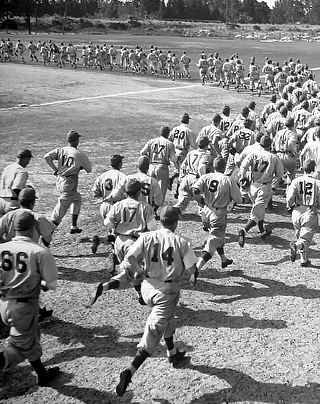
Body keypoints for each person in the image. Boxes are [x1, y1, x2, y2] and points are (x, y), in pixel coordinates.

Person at [112, 206, 198, 396]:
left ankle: (172, 353)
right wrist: (193, 275)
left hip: (147, 287)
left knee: (168, 319)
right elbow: (192, 269)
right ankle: (130, 370)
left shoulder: (146, 236)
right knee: (154, 330)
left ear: (160, 220)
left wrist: (138, 271)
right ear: (176, 222)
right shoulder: (182, 241)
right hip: (166, 291)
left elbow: (130, 257)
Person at [0, 211, 60, 386]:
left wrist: (2, 284)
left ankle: (42, 374)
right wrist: (39, 282)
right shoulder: (39, 251)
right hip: (24, 307)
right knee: (19, 348)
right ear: (33, 228)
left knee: (31, 338)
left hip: (4, 304)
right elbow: (51, 284)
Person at [88, 178, 158, 302]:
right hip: (135, 244)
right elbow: (153, 228)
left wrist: (120, 225)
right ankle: (105, 287)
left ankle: (140, 295)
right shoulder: (145, 207)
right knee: (131, 274)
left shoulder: (118, 205)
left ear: (126, 192)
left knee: (133, 272)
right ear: (139, 192)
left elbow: (108, 224)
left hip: (119, 241)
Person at [192, 157, 243, 272]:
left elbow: (195, 190)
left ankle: (224, 259)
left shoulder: (206, 177)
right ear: (224, 167)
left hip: (205, 212)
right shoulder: (228, 180)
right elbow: (239, 199)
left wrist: (200, 202)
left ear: (214, 166)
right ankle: (197, 267)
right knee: (213, 241)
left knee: (219, 236)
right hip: (218, 214)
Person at [238, 135, 284, 247]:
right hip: (264, 187)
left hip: (252, 186)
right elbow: (280, 174)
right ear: (270, 144)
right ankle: (244, 230)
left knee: (259, 210)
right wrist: (274, 185)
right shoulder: (274, 157)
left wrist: (243, 178)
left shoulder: (254, 154)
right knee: (256, 213)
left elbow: (243, 166)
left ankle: (262, 232)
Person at [44, 131, 92, 233]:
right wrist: (80, 166)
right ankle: (48, 231)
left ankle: (74, 227)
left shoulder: (61, 150)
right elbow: (89, 169)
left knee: (77, 199)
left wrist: (55, 169)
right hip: (70, 182)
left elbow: (47, 157)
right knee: (62, 207)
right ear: (77, 141)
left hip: (60, 180)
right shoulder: (79, 154)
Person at [286, 160, 320, 266]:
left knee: (300, 236)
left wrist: (290, 205)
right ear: (314, 169)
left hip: (296, 211)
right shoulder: (317, 182)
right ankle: (296, 247)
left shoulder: (295, 181)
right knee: (305, 240)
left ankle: (304, 260)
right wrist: (318, 207)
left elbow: (289, 198)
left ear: (303, 169)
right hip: (309, 211)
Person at [91, 154, 127, 253]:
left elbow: (95, 193)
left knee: (111, 230)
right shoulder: (122, 176)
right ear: (119, 164)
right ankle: (110, 249)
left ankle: (103, 242)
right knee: (118, 233)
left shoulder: (102, 176)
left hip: (104, 205)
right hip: (116, 206)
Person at [0, 149, 33, 227]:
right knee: (14, 230)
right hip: (12, 203)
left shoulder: (8, 167)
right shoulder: (22, 171)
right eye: (29, 159)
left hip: (0, 202)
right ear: (26, 158)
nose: (28, 162)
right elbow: (16, 188)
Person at [140, 126, 178, 206]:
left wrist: (149, 158)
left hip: (151, 166)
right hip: (162, 167)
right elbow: (173, 159)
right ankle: (155, 210)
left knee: (151, 188)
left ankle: (150, 206)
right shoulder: (169, 143)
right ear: (168, 134)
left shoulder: (152, 141)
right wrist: (177, 167)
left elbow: (142, 152)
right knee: (161, 191)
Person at [168, 113, 196, 197]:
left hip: (174, 151)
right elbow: (194, 145)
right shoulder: (188, 131)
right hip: (182, 152)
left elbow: (169, 139)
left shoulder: (175, 129)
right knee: (183, 172)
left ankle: (172, 180)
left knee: (179, 170)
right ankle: (177, 191)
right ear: (188, 121)